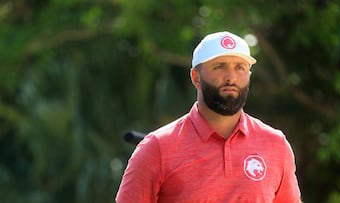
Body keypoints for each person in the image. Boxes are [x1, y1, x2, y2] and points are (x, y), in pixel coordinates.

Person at [115, 31, 301, 202]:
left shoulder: (276, 145)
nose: (231, 77)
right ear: (196, 77)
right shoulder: (156, 148)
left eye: (240, 67)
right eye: (219, 67)